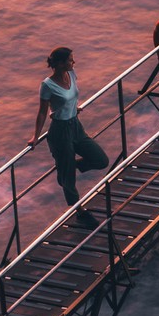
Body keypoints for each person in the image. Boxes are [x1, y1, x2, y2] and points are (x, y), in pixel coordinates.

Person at [28, 47, 108, 228]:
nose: (74, 62)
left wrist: (73, 107)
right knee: (69, 178)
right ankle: (80, 212)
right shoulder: (47, 85)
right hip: (59, 131)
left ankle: (66, 170)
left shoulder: (71, 75)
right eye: (70, 60)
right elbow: (42, 113)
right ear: (59, 63)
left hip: (75, 126)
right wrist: (35, 137)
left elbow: (71, 96)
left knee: (101, 159)